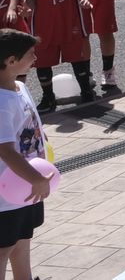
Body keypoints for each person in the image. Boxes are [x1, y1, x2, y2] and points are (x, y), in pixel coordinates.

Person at [0, 29, 52, 280]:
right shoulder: (0, 103)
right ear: (10, 61)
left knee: (22, 240)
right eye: (31, 54)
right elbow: (6, 151)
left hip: (23, 188)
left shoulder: (19, 86)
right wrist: (37, 179)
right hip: (5, 195)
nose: (35, 58)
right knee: (3, 249)